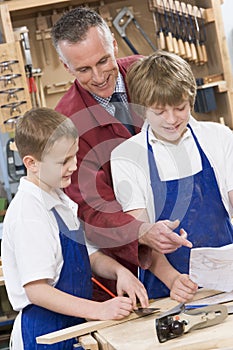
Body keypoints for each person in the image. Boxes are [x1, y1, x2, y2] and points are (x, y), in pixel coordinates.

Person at [51, 7, 192, 301]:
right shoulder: (66, 123)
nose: (100, 76)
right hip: (134, 264)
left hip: (191, 229)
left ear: (114, 44)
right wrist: (141, 232)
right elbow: (91, 208)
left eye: (103, 60)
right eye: (84, 70)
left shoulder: (147, 73)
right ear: (67, 68)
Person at [1, 107, 149, 350]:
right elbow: (37, 291)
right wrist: (99, 309)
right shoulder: (30, 212)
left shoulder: (59, 199)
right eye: (64, 161)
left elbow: (87, 255)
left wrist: (120, 272)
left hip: (72, 326)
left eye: (75, 156)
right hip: (45, 335)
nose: (73, 166)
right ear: (31, 163)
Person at [110, 50, 233, 301]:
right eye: (159, 111)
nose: (172, 119)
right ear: (142, 110)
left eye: (180, 108)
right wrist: (173, 279)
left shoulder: (218, 137)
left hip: (227, 280)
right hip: (167, 289)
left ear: (191, 100)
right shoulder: (127, 156)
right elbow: (143, 233)